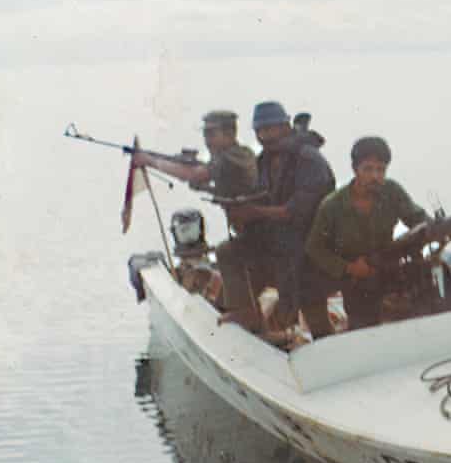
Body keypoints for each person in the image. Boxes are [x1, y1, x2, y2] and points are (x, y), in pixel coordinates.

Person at [216, 101, 335, 340]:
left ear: (285, 126)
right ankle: (247, 314)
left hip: (311, 246)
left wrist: (253, 212)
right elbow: (265, 198)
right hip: (279, 240)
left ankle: (326, 345)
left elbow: (297, 211)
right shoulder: (266, 160)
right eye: (260, 131)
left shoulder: (309, 159)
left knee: (314, 313)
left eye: (270, 129)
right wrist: (239, 211)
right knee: (228, 251)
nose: (264, 136)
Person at [303, 136, 429, 332]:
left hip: (386, 265)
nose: (375, 176)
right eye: (368, 169)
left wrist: (437, 229)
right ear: (355, 170)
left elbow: (418, 218)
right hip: (352, 276)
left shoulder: (392, 191)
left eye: (381, 170)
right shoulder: (333, 205)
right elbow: (315, 247)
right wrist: (348, 268)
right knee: (363, 328)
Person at [132, 110, 257, 202]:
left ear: (230, 134)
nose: (207, 141)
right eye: (205, 135)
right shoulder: (226, 158)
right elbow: (232, 193)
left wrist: (149, 161)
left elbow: (194, 174)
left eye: (211, 134)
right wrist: (205, 188)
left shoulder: (238, 156)